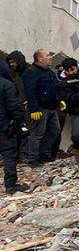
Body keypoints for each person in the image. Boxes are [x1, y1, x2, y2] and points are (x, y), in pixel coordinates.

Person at [21, 49, 63, 166]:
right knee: (37, 134)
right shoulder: (31, 72)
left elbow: (55, 87)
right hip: (39, 109)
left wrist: (59, 101)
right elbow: (30, 92)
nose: (50, 57)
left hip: (51, 108)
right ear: (40, 58)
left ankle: (44, 155)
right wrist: (34, 109)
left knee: (54, 131)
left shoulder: (48, 72)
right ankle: (33, 160)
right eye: (48, 55)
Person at [0, 61, 27, 194]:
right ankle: (10, 185)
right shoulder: (7, 85)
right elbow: (15, 107)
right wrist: (20, 123)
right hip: (4, 127)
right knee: (9, 155)